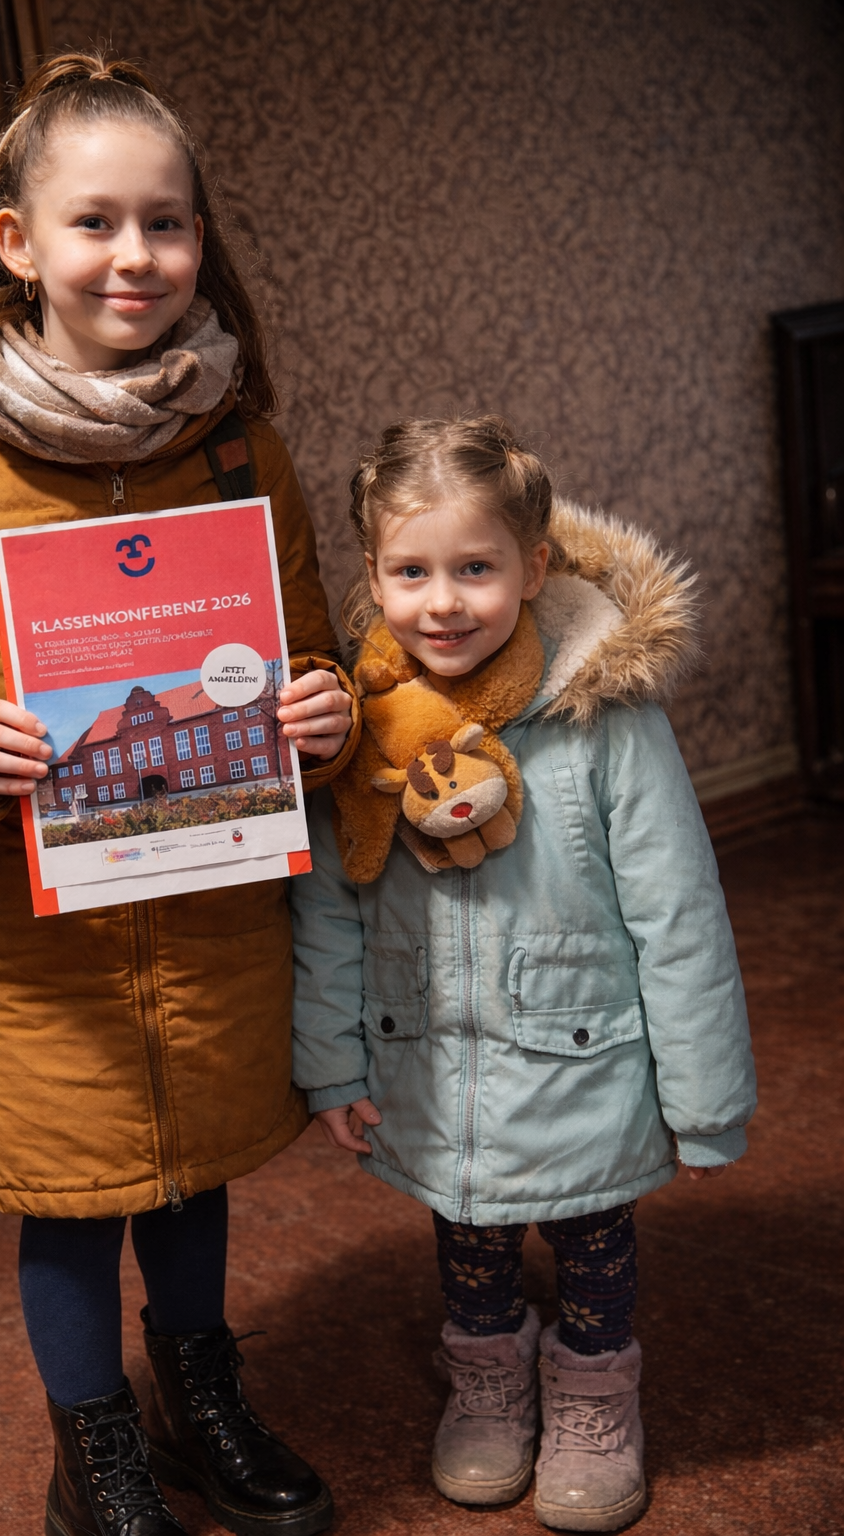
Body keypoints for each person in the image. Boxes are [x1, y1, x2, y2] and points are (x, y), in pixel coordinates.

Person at [0, 51, 359, 1536]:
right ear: (18, 243)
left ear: (201, 239)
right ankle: (97, 1449)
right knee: (67, 1204)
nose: (137, 256)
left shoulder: (246, 449)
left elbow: (311, 662)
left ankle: (202, 1403)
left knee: (189, 1179)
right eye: (96, 222)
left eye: (168, 224)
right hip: (21, 955)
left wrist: (329, 710)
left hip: (209, 914)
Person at [289, 417, 756, 1533]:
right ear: (374, 577)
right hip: (430, 1059)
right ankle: (489, 1388)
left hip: (582, 1056)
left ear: (533, 569)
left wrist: (704, 1104)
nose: (441, 601)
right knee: (471, 1234)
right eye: (410, 572)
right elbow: (328, 905)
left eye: (474, 568)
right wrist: (328, 1063)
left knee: (592, 1238)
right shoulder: (357, 728)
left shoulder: (606, 720)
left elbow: (677, 915)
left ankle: (595, 1395)